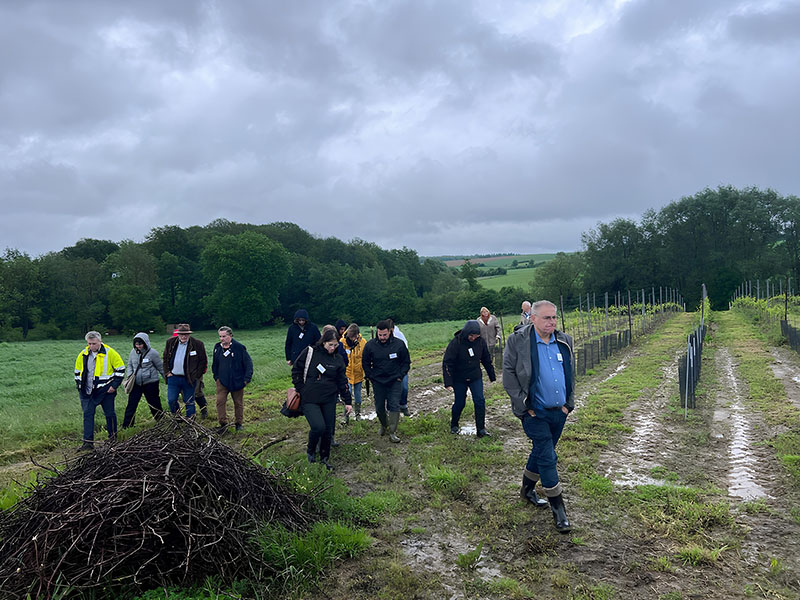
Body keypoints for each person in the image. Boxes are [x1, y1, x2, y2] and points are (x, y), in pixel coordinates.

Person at [503, 300, 575, 533]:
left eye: (554, 318)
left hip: (559, 411)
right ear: (532, 318)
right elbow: (509, 375)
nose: (552, 322)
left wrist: (568, 404)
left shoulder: (564, 341)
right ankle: (559, 509)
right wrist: (524, 405)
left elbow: (571, 373)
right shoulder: (518, 342)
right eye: (546, 318)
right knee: (547, 456)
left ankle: (526, 489)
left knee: (541, 451)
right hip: (535, 412)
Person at [292, 328, 352, 469]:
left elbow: (342, 381)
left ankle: (325, 458)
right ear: (323, 342)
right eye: (330, 345)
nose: (332, 348)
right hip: (310, 398)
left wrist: (348, 401)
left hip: (329, 399)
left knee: (328, 430)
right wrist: (301, 388)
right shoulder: (310, 352)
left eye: (335, 345)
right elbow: (296, 370)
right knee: (318, 426)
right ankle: (311, 451)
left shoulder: (338, 360)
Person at [443, 320, 496, 437]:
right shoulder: (456, 343)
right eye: (471, 336)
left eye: (476, 336)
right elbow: (447, 363)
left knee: (480, 401)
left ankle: (481, 429)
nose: (473, 338)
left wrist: (492, 375)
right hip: (459, 378)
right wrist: (448, 382)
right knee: (460, 403)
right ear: (466, 333)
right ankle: (454, 424)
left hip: (475, 376)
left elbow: (486, 359)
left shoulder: (480, 342)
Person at [74, 331, 125, 450]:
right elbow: (77, 372)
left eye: (94, 344)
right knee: (87, 415)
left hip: (106, 391)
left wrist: (114, 386)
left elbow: (121, 369)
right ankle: (88, 443)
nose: (91, 346)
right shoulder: (83, 354)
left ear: (100, 342)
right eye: (89, 344)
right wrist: (79, 386)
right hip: (87, 392)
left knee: (110, 414)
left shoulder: (110, 353)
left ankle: (112, 439)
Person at [362, 319, 410, 443]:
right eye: (380, 335)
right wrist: (370, 376)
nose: (382, 337)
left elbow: (406, 362)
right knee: (379, 407)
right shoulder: (370, 345)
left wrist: (401, 375)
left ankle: (392, 432)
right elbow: (365, 363)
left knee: (394, 405)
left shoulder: (399, 344)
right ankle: (384, 424)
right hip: (378, 381)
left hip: (394, 380)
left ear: (390, 332)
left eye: (385, 335)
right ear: (377, 333)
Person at [212, 326, 253, 432]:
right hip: (222, 381)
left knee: (238, 403)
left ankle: (239, 423)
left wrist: (246, 379)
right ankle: (223, 424)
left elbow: (248, 364)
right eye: (220, 336)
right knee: (220, 402)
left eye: (224, 336)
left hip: (237, 381)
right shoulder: (217, 348)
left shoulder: (239, 348)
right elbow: (215, 364)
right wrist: (216, 377)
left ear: (230, 336)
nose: (222, 339)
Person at [163, 323, 207, 419]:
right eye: (181, 334)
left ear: (189, 334)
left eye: (186, 334)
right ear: (178, 334)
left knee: (189, 401)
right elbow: (165, 358)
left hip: (189, 378)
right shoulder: (170, 342)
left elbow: (203, 361)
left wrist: (196, 376)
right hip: (173, 377)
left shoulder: (197, 344)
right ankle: (177, 418)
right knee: (171, 400)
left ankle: (190, 421)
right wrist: (167, 372)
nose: (183, 336)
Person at [122, 332, 165, 428]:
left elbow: (160, 367)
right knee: (131, 404)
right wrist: (129, 375)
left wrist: (167, 379)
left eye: (140, 344)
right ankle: (127, 426)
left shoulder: (153, 353)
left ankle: (161, 422)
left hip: (151, 383)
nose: (139, 346)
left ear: (145, 343)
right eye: (136, 344)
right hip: (136, 383)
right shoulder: (132, 352)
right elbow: (129, 365)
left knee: (154, 403)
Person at [342, 323, 367, 419]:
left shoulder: (363, 342)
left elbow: (365, 358)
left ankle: (358, 414)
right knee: (347, 394)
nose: (352, 339)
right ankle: (346, 417)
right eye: (350, 337)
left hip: (358, 372)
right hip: (347, 373)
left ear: (357, 335)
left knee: (358, 394)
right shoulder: (342, 342)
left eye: (354, 337)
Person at [387, 318, 410, 416]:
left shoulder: (400, 336)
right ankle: (390, 410)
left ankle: (403, 405)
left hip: (400, 366)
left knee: (404, 387)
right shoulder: (383, 338)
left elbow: (405, 352)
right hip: (389, 368)